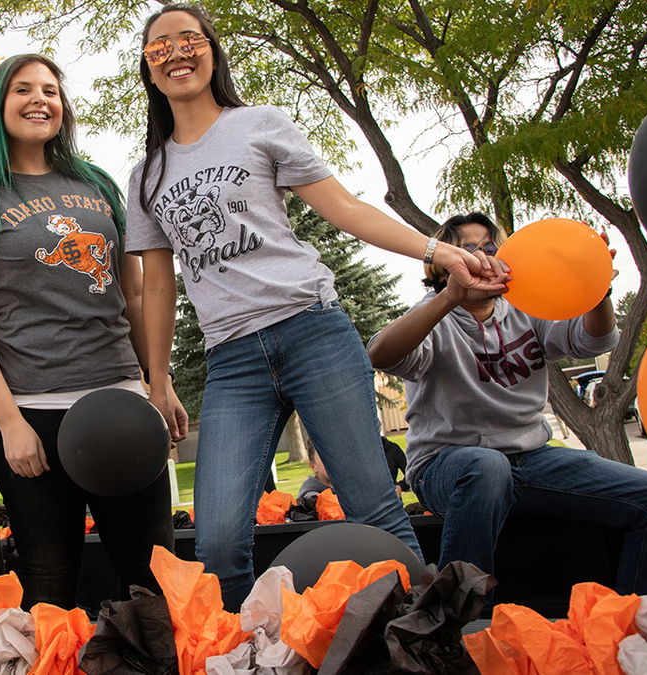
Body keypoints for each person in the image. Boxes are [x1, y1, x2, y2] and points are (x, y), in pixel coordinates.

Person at [125, 3, 507, 610]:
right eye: (159, 46)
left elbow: (346, 208)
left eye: (189, 40)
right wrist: (158, 377)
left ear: (212, 51)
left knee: (375, 510)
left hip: (313, 333)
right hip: (233, 362)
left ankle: (424, 641)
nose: (176, 53)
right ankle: (249, 654)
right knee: (219, 542)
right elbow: (157, 284)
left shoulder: (260, 125)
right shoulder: (147, 174)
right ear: (148, 69)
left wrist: (440, 251)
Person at [0, 53, 183, 609]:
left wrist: (158, 384)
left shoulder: (95, 183)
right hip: (31, 412)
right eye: (22, 89)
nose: (39, 100)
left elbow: (135, 292)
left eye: (50, 90)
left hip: (119, 403)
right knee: (50, 577)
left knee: (152, 575)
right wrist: (8, 423)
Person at [367, 212, 647, 596]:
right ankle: (446, 623)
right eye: (469, 250)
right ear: (443, 264)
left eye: (492, 248)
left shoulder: (524, 308)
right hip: (447, 465)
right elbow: (380, 355)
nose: (484, 257)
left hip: (531, 460)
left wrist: (597, 288)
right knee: (486, 467)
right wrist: (451, 297)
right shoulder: (433, 315)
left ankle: (626, 624)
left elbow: (595, 341)